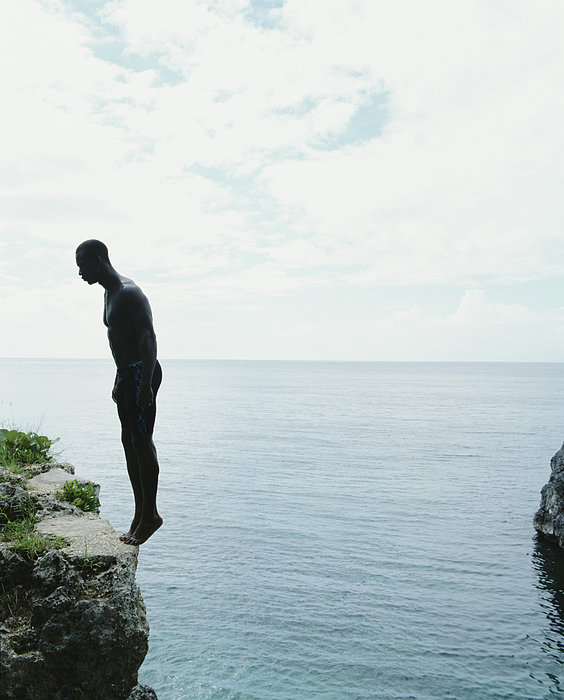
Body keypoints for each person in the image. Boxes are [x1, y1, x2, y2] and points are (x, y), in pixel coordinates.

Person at [75, 239, 163, 545]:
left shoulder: (129, 292)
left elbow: (148, 338)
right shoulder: (109, 293)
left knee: (142, 442)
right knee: (129, 443)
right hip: (127, 374)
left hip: (142, 373)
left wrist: (145, 385)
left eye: (82, 266)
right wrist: (119, 379)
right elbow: (119, 343)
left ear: (98, 260)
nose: (80, 273)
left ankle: (151, 515)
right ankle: (140, 515)